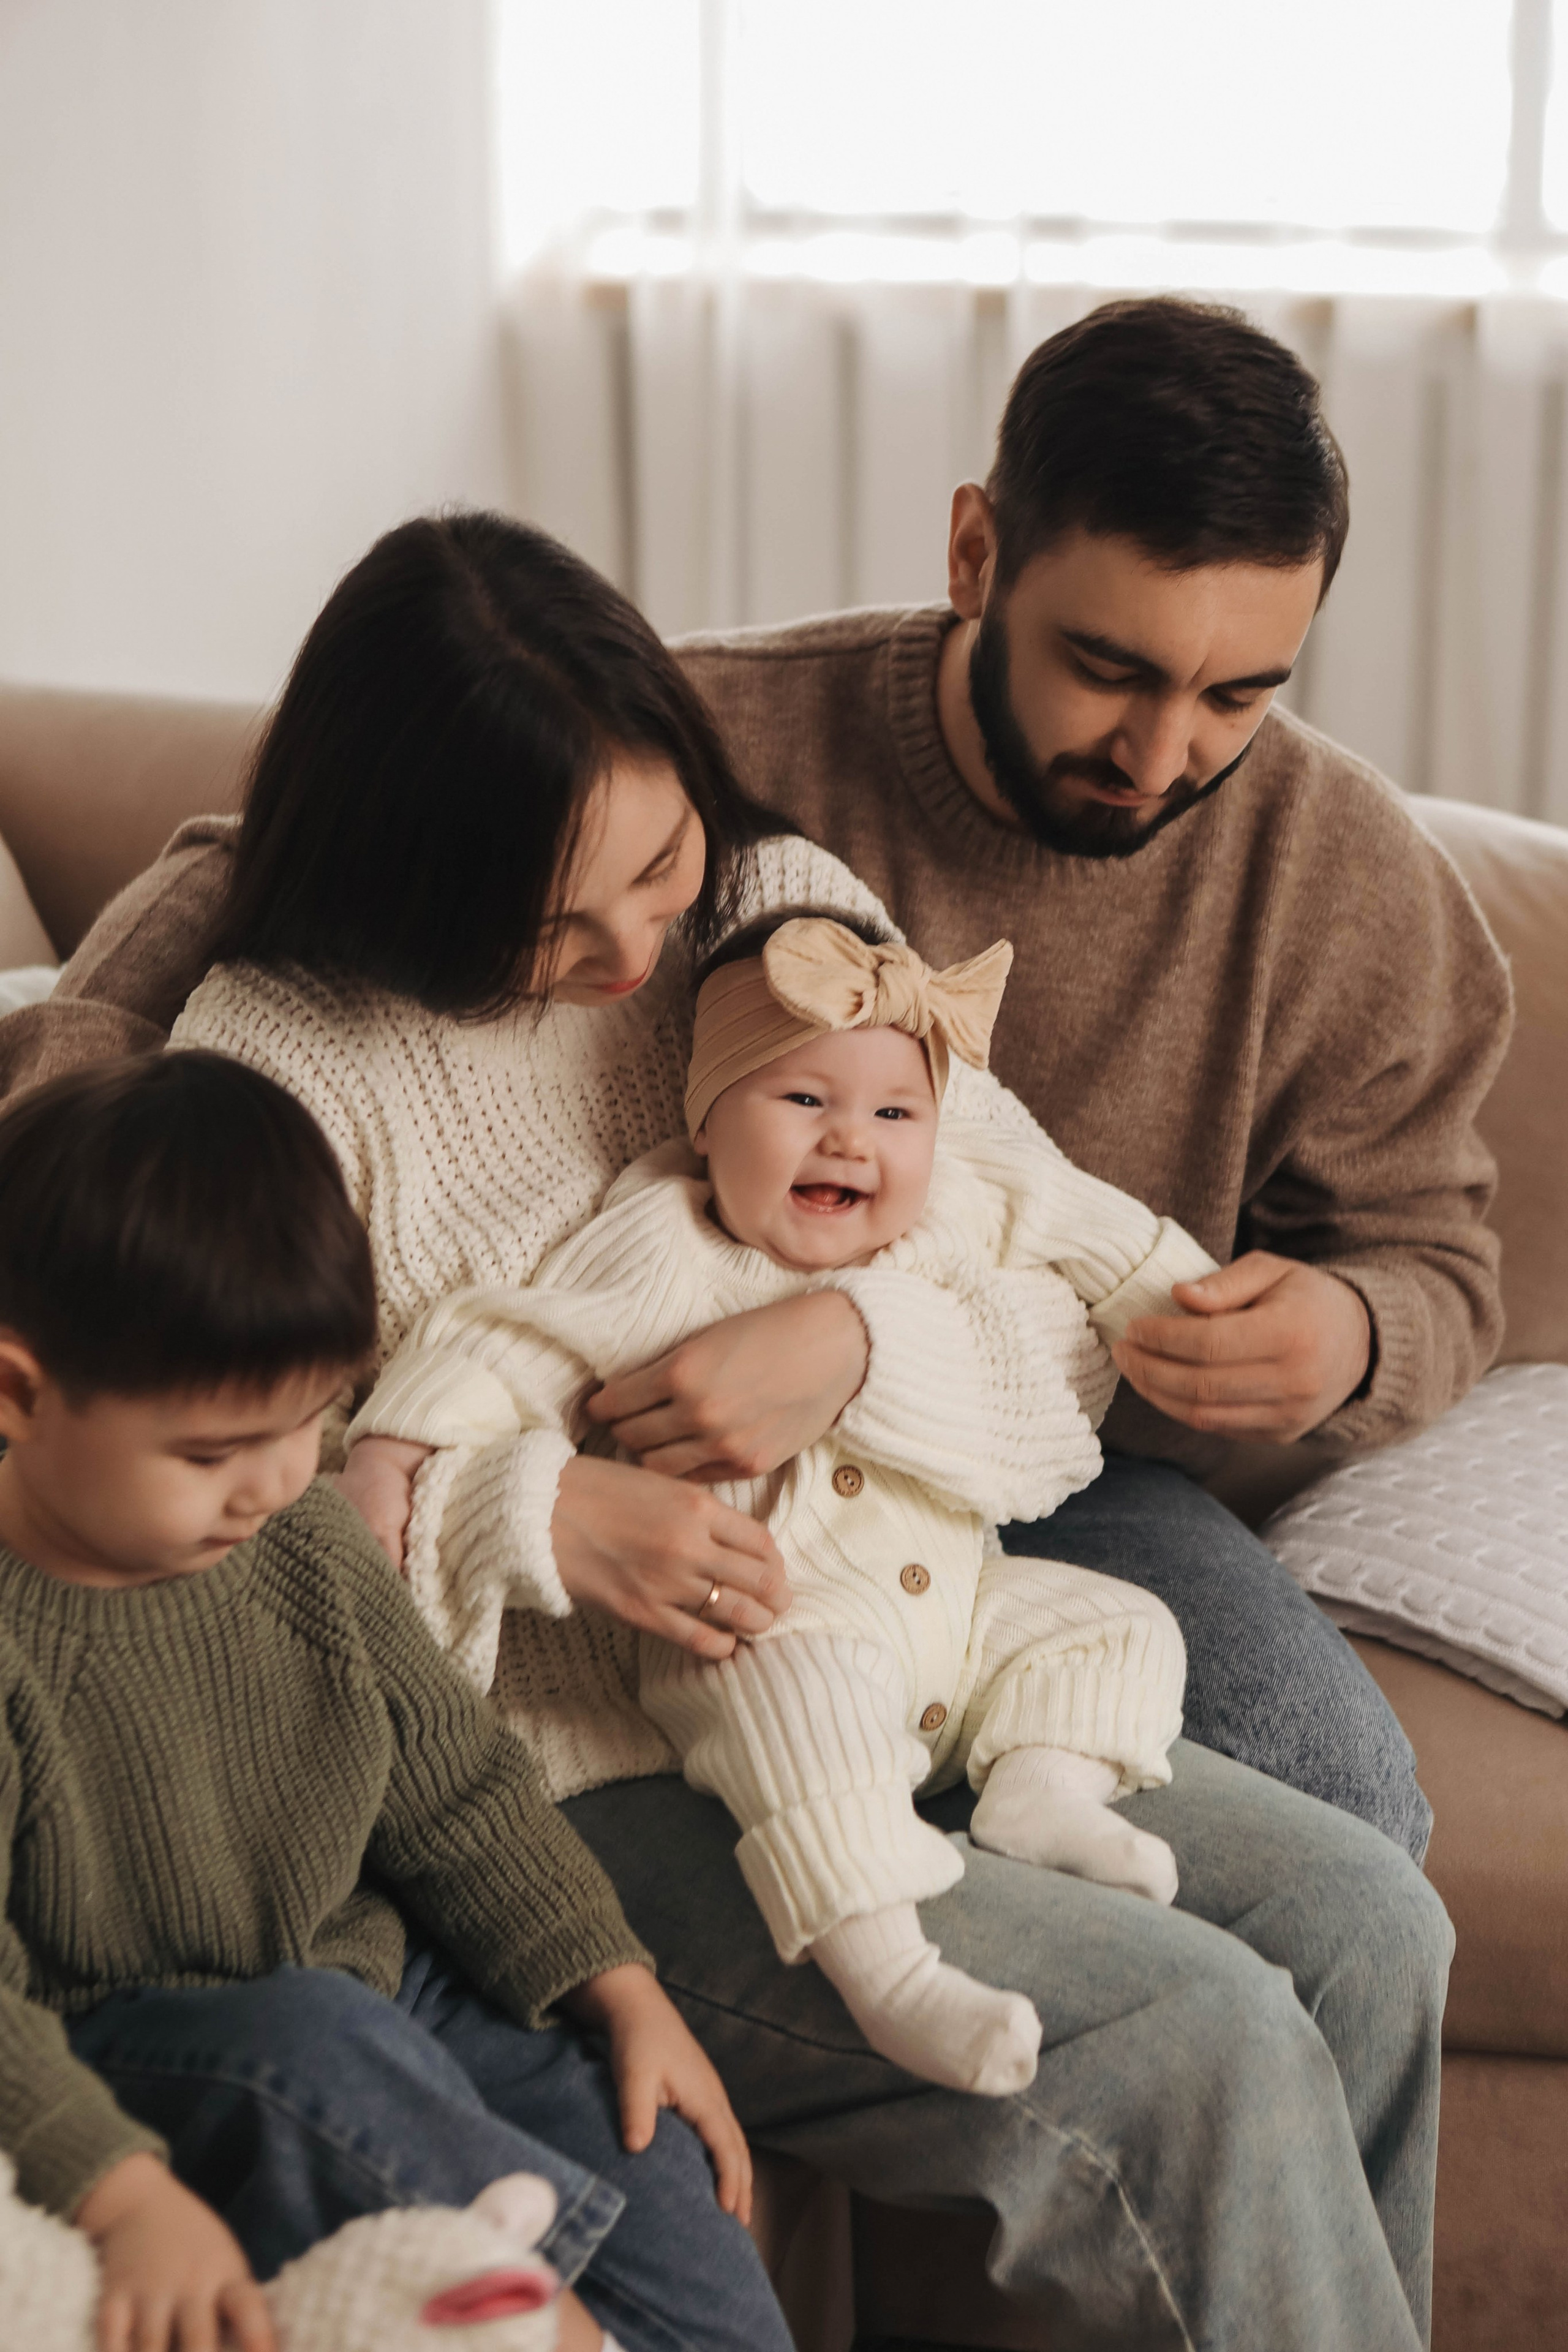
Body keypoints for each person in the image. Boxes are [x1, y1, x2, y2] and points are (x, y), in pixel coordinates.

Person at [0, 513, 1449, 2348]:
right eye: (549, 919)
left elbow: (1043, 1288)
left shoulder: (774, 905)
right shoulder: (285, 1070)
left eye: (661, 861)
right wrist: (538, 1514)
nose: (632, 949)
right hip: (597, 1773)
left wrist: (847, 1344)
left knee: (1371, 1924)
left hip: (919, 1641)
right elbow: (281, 1533)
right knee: (1199, 2035)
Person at [671, 294, 1515, 1863]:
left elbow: (1438, 1261)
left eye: (1236, 696)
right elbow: (276, 856)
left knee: (1344, 1815)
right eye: (1107, 668)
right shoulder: (709, 735)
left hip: (1069, 1478)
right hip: (686, 1436)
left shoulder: (1343, 874)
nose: (1157, 754)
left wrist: (1348, 1334)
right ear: (975, 554)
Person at [341, 910, 1213, 2096]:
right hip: (757, 1621)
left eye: (894, 1113)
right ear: (705, 1124)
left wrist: (1200, 1311)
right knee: (798, 1708)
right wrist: (403, 1447)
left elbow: (1095, 1235)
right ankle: (892, 1973)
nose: (851, 1140)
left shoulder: (956, 1205)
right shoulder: (663, 1239)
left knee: (1114, 1623)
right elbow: (512, 1342)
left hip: (956, 1619)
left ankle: (1042, 1791)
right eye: (802, 1102)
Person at [0, 1050, 790, 2352]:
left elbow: (456, 1791)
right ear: (20, 1394)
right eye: (210, 1453)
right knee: (309, 2044)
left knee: (641, 2140)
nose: (270, 1483)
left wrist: (616, 1986)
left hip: (380, 1994)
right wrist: (121, 2191)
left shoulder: (301, 1540)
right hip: (137, 2046)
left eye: (305, 1423)